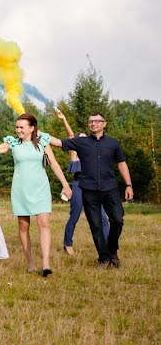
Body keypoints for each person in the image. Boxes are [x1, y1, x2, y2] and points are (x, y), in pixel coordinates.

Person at [0, 113, 72, 276]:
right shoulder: (13, 144)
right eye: (17, 127)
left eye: (22, 127)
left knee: (43, 223)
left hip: (40, 188)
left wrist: (65, 185)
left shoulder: (42, 143)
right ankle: (30, 263)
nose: (18, 130)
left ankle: (46, 264)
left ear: (31, 128)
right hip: (20, 189)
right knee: (23, 226)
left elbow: (54, 164)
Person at [47, 112, 132, 268]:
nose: (93, 123)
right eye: (91, 121)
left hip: (110, 189)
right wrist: (38, 132)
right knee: (96, 226)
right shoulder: (81, 142)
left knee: (118, 220)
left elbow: (121, 164)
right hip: (89, 191)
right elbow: (58, 142)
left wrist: (128, 185)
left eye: (97, 121)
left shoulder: (113, 143)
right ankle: (104, 259)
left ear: (104, 123)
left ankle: (112, 250)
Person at [55, 110, 109, 255]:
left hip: (94, 186)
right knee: (75, 216)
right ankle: (67, 243)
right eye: (81, 139)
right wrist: (64, 119)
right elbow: (71, 135)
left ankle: (107, 245)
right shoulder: (75, 151)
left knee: (103, 217)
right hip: (79, 186)